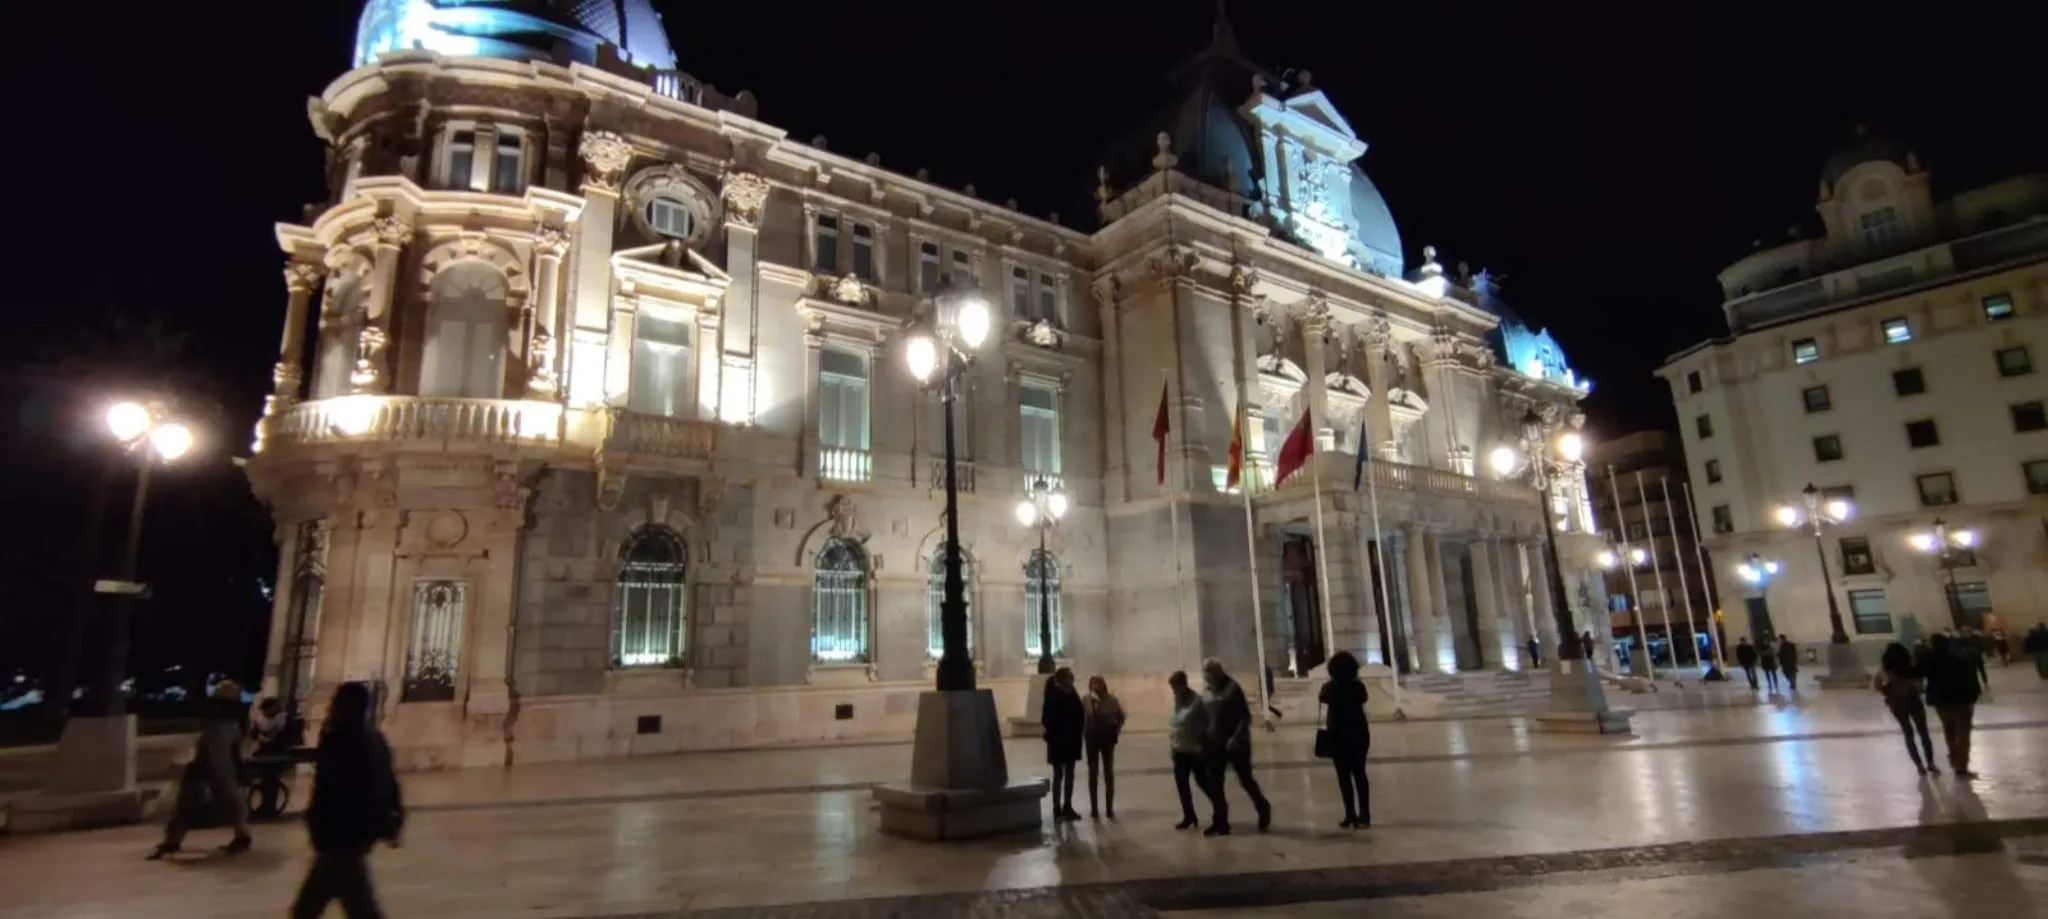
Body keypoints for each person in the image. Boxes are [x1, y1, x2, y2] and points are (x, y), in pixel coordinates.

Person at [291, 682, 404, 919]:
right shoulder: (374, 739)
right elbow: (391, 785)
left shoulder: (344, 741)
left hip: (340, 836)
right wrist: (392, 823)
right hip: (355, 836)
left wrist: (318, 825)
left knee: (309, 908)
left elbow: (332, 788)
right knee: (353, 904)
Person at [148, 681, 252, 859]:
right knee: (188, 803)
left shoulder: (228, 724)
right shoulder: (225, 723)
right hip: (210, 767)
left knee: (229, 803)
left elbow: (229, 750)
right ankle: (173, 840)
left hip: (217, 767)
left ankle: (241, 836)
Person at [1199, 658, 1271, 836]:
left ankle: (1263, 808)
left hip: (1236, 745)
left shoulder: (1232, 689)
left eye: (1208, 673)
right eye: (1204, 674)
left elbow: (1245, 717)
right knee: (1215, 783)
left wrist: (1235, 738)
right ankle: (1220, 822)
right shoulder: (1207, 691)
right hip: (1215, 745)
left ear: (1218, 672)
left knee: (1245, 779)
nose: (1206, 677)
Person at [1318, 651, 1371, 828]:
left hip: (1338, 735)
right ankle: (1365, 814)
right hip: (1358, 734)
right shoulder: (1358, 687)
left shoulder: (1330, 688)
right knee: (1360, 774)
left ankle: (1350, 813)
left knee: (1344, 776)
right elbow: (1363, 698)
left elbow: (1322, 698)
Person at [1873, 643, 1937, 776]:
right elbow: (1920, 687)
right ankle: (1930, 763)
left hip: (1896, 704)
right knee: (1923, 732)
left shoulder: (1884, 671)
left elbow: (1876, 686)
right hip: (1914, 701)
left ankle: (1919, 766)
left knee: (1908, 734)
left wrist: (1887, 692)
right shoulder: (1911, 669)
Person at [1924, 633, 1982, 779]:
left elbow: (1917, 673)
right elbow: (1970, 677)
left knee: (1949, 731)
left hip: (1941, 703)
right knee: (1963, 734)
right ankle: (1961, 765)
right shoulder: (1959, 658)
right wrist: (1973, 696)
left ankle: (1954, 759)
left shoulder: (1930, 660)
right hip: (1961, 701)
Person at [1165, 671, 1210, 830]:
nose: (1174, 691)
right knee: (1182, 785)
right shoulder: (1177, 700)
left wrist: (1203, 747)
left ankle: (1220, 808)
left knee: (1203, 781)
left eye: (1175, 687)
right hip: (1179, 750)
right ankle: (1189, 815)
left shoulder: (1197, 702)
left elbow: (1205, 725)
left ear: (1183, 685)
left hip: (1194, 750)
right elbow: (1176, 723)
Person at [1040, 668, 1084, 821]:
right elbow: (1047, 719)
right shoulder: (1053, 695)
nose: (1073, 679)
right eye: (1071, 676)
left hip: (1071, 740)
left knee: (1070, 774)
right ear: (1064, 678)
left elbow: (1080, 713)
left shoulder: (1072, 693)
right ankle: (1057, 807)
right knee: (1058, 774)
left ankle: (1067, 805)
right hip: (1058, 741)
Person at [1082, 675, 1125, 820]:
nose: (1097, 686)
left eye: (1099, 683)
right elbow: (1081, 717)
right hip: (1091, 739)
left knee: (1108, 772)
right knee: (1092, 773)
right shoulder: (1086, 699)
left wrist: (1116, 729)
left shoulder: (1112, 700)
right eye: (1094, 683)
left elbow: (1121, 716)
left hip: (1107, 739)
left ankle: (1109, 808)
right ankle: (1094, 808)